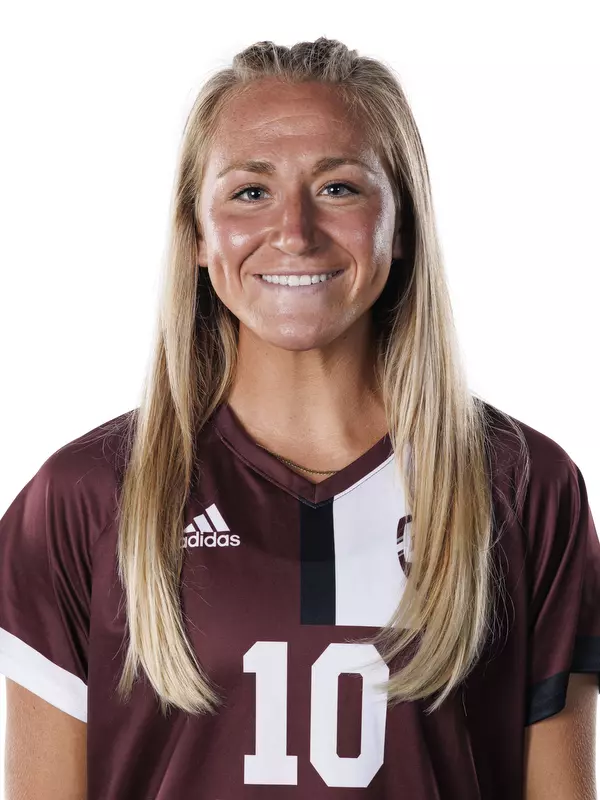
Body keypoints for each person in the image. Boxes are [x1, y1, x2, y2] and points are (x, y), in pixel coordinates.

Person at [1, 37, 599, 800]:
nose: (294, 230)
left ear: (402, 224)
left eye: (339, 188)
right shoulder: (84, 496)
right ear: (196, 234)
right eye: (250, 192)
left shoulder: (523, 485)